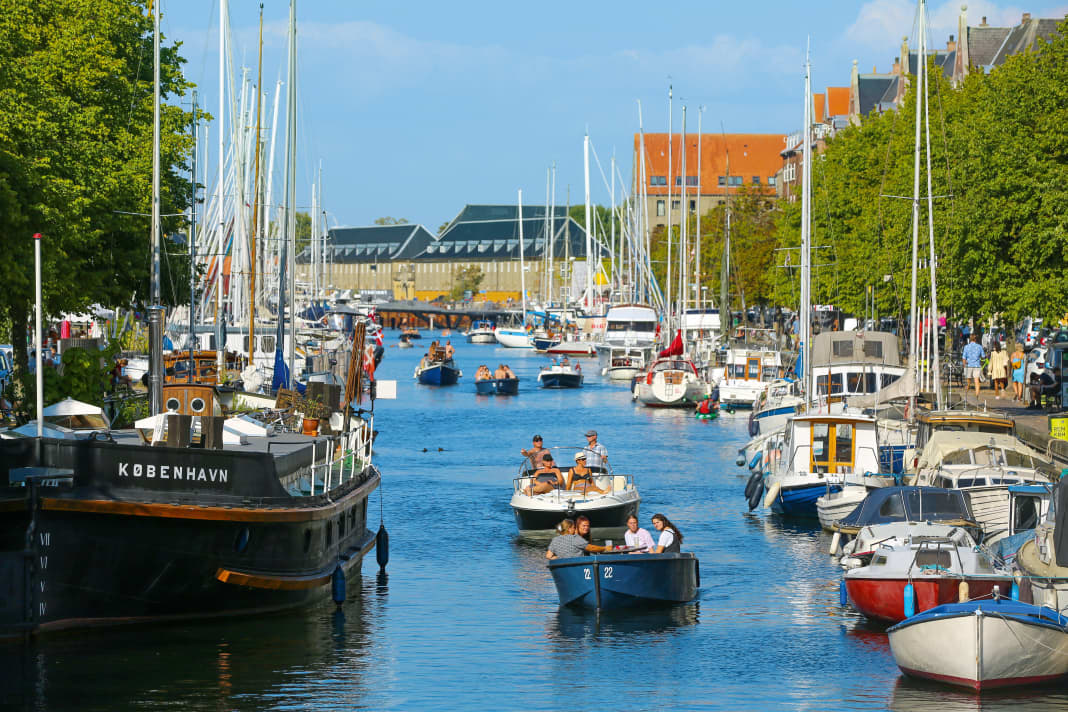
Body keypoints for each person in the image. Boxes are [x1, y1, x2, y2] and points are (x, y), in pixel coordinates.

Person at [962, 333, 985, 398]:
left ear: (970, 339)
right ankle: (977, 395)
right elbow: (983, 356)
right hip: (977, 366)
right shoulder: (979, 347)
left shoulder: (966, 347)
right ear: (976, 339)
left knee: (968, 381)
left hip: (968, 366)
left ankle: (966, 393)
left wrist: (964, 365)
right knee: (976, 381)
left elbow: (964, 357)